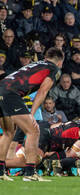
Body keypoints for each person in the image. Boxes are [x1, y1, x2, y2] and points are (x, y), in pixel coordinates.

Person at [0, 47, 64, 181]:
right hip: (11, 94)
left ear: (46, 58)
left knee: (8, 133)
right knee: (33, 131)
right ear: (60, 62)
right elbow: (42, 92)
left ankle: (0, 172)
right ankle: (30, 173)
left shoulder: (37, 64)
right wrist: (32, 113)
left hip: (2, 89)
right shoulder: (54, 69)